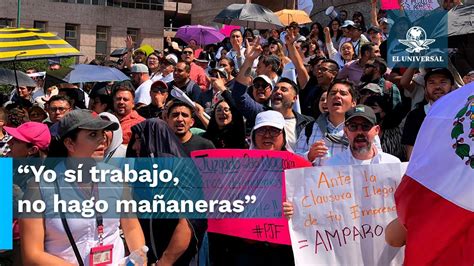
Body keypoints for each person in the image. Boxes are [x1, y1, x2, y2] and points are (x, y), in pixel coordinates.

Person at [20, 110, 146, 265]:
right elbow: (31, 254)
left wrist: (139, 258)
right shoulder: (40, 187)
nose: (102, 140)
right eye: (93, 135)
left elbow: (131, 227)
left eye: (102, 134)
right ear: (69, 144)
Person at [284, 105, 400, 218]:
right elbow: (318, 205)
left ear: (376, 130)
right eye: (353, 127)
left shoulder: (393, 164)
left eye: (365, 126)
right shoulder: (332, 166)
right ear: (345, 131)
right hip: (347, 234)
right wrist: (295, 209)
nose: (359, 132)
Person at [126, 118, 207, 266]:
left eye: (139, 140)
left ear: (153, 142)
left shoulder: (182, 172)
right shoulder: (145, 174)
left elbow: (187, 224)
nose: (135, 145)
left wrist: (164, 262)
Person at [295, 79, 357, 165]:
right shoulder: (310, 129)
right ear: (327, 101)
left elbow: (375, 161)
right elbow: (295, 161)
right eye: (333, 93)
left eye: (343, 94)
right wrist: (309, 156)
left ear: (353, 103)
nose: (337, 96)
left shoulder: (363, 130)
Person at [402, 68, 454, 159]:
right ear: (425, 89)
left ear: (452, 87)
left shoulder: (463, 114)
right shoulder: (415, 116)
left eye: (443, 82)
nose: (437, 86)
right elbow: (411, 156)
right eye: (432, 82)